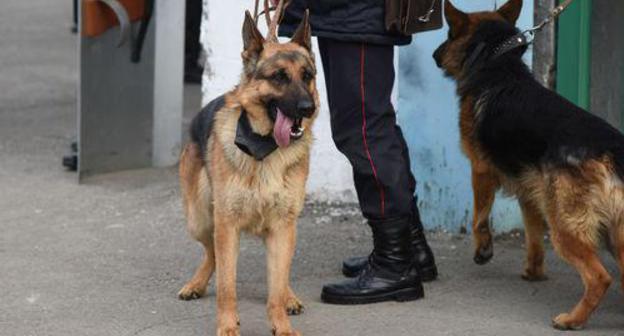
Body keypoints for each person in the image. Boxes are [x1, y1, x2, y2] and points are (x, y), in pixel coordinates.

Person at [278, 0, 438, 304]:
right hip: (344, 12)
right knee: (371, 123)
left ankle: (394, 266)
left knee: (365, 130)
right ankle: (410, 249)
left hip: (356, 9)